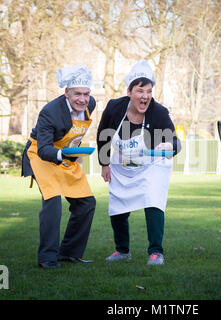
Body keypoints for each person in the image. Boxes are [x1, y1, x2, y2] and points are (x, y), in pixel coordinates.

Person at [96, 60, 181, 265]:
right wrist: (104, 163)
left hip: (152, 166)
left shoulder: (159, 112)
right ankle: (122, 250)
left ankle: (155, 251)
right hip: (122, 164)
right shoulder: (114, 107)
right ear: (129, 91)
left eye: (149, 91)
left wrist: (168, 147)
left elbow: (176, 143)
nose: (145, 96)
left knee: (153, 201)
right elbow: (103, 134)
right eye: (140, 90)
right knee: (117, 205)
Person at [21, 65, 96, 269]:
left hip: (66, 156)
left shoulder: (91, 104)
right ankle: (47, 258)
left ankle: (69, 253)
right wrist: (63, 154)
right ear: (66, 93)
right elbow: (44, 148)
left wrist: (72, 152)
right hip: (42, 155)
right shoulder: (50, 112)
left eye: (86, 94)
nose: (82, 99)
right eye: (77, 94)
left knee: (86, 203)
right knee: (53, 203)